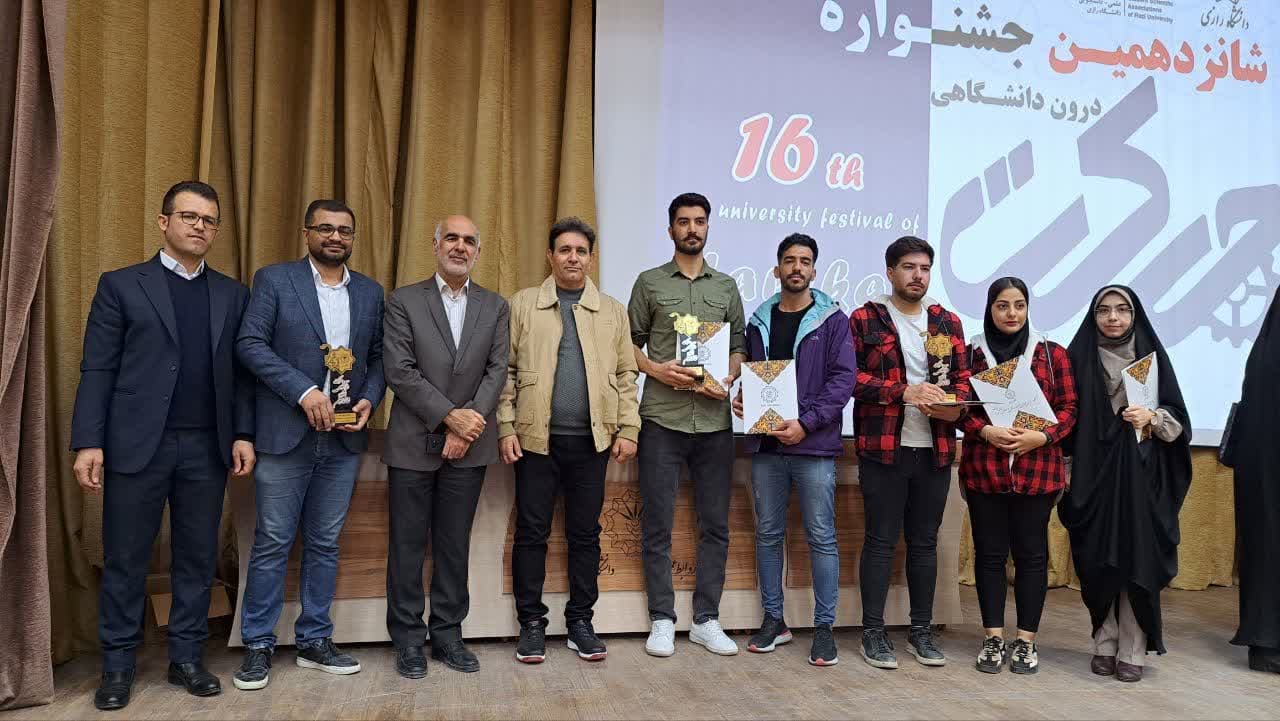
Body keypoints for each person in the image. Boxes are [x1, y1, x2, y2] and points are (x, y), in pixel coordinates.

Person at [70, 181, 256, 710]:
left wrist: (243, 433)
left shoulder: (232, 294)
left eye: (209, 220)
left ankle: (187, 658)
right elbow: (98, 368)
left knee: (196, 558)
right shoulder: (121, 285)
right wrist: (89, 442)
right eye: (189, 216)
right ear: (163, 222)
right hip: (135, 446)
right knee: (126, 557)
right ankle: (118, 666)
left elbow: (243, 377)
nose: (200, 226)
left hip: (206, 447)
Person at [233, 200, 386, 690]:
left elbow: (379, 357)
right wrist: (303, 391)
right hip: (285, 435)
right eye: (325, 228)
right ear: (307, 233)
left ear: (353, 238)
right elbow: (250, 344)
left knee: (325, 543)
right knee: (273, 541)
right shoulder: (275, 280)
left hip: (343, 441)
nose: (335, 237)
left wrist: (369, 398)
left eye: (344, 230)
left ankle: (315, 640)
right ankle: (257, 645)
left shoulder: (370, 292)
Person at [498, 217, 641, 664]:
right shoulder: (523, 304)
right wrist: (505, 426)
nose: (572, 258)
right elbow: (506, 372)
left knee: (585, 535)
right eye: (564, 250)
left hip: (592, 443)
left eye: (580, 251)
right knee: (531, 533)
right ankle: (531, 624)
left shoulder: (613, 310)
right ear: (550, 255)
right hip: (535, 441)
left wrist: (629, 428)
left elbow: (626, 374)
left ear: (591, 259)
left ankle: (581, 622)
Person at [381, 215, 509, 678]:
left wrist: (465, 427)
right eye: (451, 238)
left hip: (469, 445)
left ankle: (448, 636)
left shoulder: (495, 306)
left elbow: (497, 371)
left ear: (478, 251)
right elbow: (400, 370)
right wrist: (450, 417)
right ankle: (408, 640)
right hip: (412, 442)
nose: (460, 246)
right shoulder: (403, 301)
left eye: (469, 240)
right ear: (435, 246)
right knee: (408, 546)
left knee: (454, 545)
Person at [627, 192, 747, 657]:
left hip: (714, 424)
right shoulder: (649, 282)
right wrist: (656, 370)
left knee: (714, 525)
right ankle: (661, 619)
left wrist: (729, 376)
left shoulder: (727, 287)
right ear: (670, 229)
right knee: (657, 523)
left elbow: (737, 345)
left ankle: (706, 619)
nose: (692, 228)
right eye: (683, 221)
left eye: (699, 221)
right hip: (662, 419)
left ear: (708, 227)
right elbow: (627, 345)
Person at [732, 233, 856, 666]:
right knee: (768, 534)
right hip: (767, 447)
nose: (796, 267)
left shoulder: (833, 320)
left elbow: (843, 381)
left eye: (804, 261)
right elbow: (755, 375)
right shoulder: (758, 321)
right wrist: (744, 399)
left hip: (814, 446)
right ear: (777, 269)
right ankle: (774, 621)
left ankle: (824, 629)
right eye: (789, 260)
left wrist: (806, 423)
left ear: (814, 271)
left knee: (821, 537)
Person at [849, 235, 971, 670]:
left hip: (935, 449)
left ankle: (921, 631)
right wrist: (903, 391)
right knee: (880, 541)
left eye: (924, 268)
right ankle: (873, 632)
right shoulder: (865, 317)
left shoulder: (947, 322)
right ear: (890, 272)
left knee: (925, 543)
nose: (917, 276)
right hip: (884, 448)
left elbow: (963, 379)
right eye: (908, 267)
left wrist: (955, 404)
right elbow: (849, 378)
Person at [1060, 286, 1192, 683]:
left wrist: (1152, 418)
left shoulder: (1152, 358)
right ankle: (1104, 641)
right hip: (1091, 477)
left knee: (1135, 559)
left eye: (1122, 310)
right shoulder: (1076, 357)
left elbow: (1178, 419)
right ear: (1093, 316)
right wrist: (1065, 471)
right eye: (1104, 310)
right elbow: (1064, 417)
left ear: (1135, 316)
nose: (1113, 318)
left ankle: (1132, 648)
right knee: (1096, 559)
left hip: (1140, 477)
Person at [959, 277, 1077, 675]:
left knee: (1032, 557)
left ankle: (1026, 641)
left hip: (1037, 472)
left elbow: (1070, 409)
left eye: (1019, 305)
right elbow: (959, 408)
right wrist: (984, 431)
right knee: (989, 556)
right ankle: (993, 637)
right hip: (984, 471)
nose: (1012, 313)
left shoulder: (1051, 353)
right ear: (989, 308)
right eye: (1002, 305)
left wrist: (1042, 437)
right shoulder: (970, 353)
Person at [1223, 291, 1279, 674]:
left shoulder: (1264, 354)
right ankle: (1266, 643)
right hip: (1266, 475)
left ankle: (1266, 642)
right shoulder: (1268, 360)